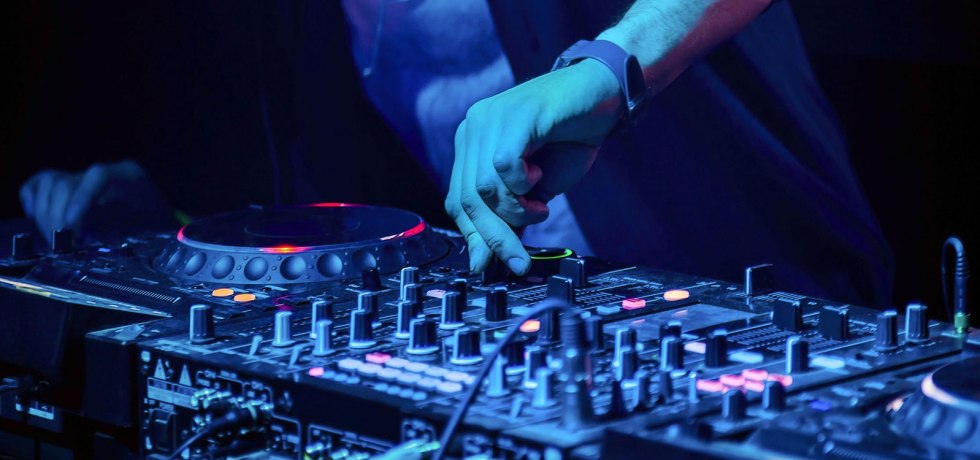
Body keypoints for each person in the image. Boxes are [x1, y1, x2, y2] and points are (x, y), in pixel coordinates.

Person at [18, 0, 894, 306]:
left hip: (752, 298)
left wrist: (608, 66)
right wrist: (178, 225)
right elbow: (342, 200)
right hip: (534, 333)